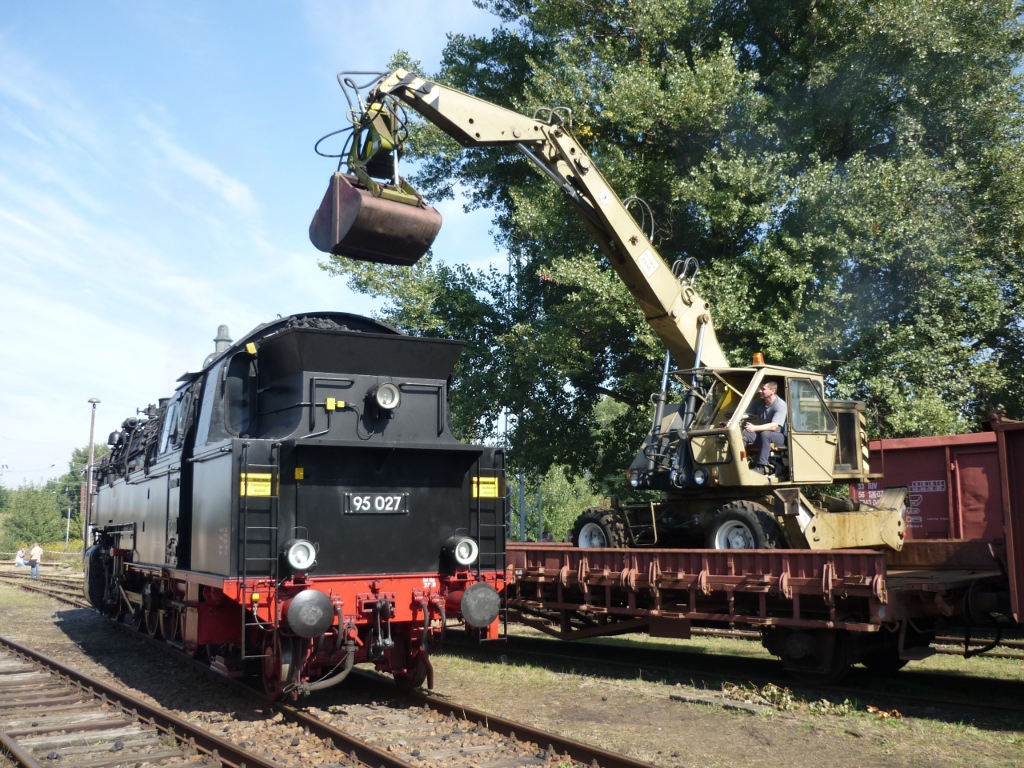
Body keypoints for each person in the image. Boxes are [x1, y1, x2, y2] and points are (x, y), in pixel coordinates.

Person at [742, 381, 787, 475]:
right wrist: (730, 422)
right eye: (760, 389)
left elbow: (774, 426)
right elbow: (745, 415)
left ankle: (761, 466)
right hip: (762, 432)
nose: (760, 391)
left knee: (765, 434)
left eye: (763, 389)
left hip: (780, 436)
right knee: (745, 434)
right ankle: (740, 464)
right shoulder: (758, 403)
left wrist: (754, 428)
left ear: (772, 391)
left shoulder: (780, 405)